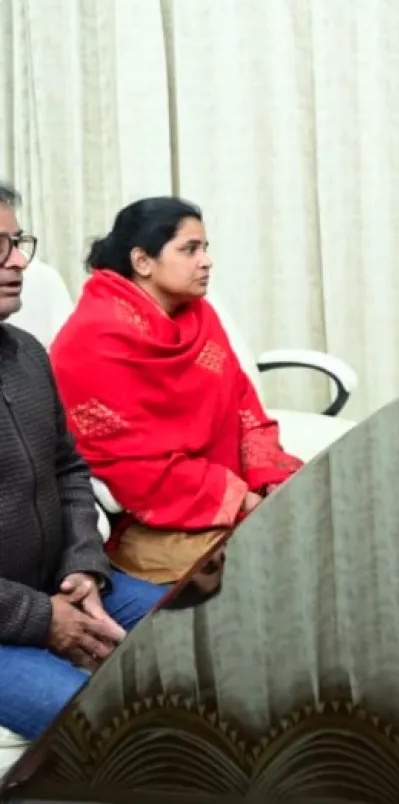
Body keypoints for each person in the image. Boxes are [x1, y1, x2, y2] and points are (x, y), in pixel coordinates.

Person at [49, 197, 302, 586]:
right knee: (276, 570)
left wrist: (265, 476)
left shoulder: (198, 315)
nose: (206, 261)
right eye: (190, 249)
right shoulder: (92, 341)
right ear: (142, 261)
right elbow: (128, 462)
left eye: (205, 248)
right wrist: (238, 498)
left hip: (227, 490)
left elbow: (242, 404)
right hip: (154, 519)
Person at [0, 184, 166, 741]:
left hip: (62, 583)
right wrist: (43, 618)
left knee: (211, 639)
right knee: (108, 729)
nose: (19, 262)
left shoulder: (26, 353)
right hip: (11, 622)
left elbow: (69, 471)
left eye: (18, 242)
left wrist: (83, 565)